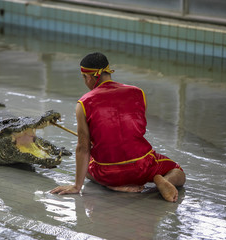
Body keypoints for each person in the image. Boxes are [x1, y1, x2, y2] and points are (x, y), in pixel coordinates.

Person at [50, 52, 186, 202]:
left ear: (88, 77)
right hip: (142, 166)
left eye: (83, 78)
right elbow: (131, 130)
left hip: (108, 172)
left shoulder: (83, 103)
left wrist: (76, 186)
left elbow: (83, 148)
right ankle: (161, 179)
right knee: (177, 171)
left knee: (87, 167)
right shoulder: (138, 92)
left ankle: (113, 186)